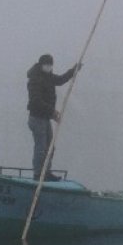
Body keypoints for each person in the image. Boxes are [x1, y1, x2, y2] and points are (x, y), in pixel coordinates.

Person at [26, 53, 80, 181]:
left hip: (45, 119)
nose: (49, 67)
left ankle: (46, 172)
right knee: (41, 147)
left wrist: (74, 70)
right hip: (36, 119)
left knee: (50, 147)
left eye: (51, 65)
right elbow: (36, 101)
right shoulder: (35, 79)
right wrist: (53, 112)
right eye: (47, 65)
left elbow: (61, 80)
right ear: (41, 65)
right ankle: (38, 174)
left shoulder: (48, 77)